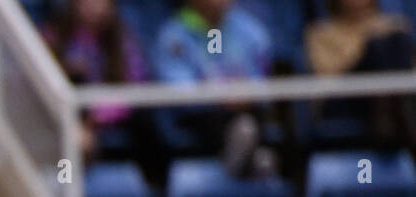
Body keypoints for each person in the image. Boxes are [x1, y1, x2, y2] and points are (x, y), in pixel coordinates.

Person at [154, 0, 279, 177]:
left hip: (246, 110)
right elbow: (177, 89)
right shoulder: (173, 36)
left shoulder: (250, 31)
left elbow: (263, 79)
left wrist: (247, 92)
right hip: (201, 120)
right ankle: (246, 159)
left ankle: (243, 154)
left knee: (251, 121)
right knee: (243, 131)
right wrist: (217, 96)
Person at [41, 0, 151, 162]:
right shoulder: (53, 38)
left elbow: (137, 84)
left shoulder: (122, 40)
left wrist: (98, 115)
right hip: (60, 116)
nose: (95, 6)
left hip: (110, 120)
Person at [306, 0, 416, 153]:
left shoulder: (393, 26)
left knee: (398, 39)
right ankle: (392, 125)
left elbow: (411, 72)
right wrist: (366, 39)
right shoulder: (321, 32)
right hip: (343, 98)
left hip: (393, 101)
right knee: (377, 47)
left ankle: (390, 122)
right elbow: (327, 74)